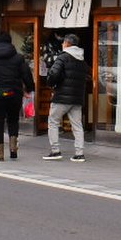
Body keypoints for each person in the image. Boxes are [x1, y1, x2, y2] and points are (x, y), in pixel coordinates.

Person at [0, 31, 35, 162]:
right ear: (10, 42)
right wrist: (30, 88)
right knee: (13, 120)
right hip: (14, 93)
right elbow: (26, 74)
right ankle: (13, 149)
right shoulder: (18, 58)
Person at [43, 32, 89, 162]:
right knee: (77, 125)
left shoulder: (62, 57)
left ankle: (55, 150)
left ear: (67, 44)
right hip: (77, 98)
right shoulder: (81, 59)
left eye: (64, 42)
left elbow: (53, 73)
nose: (62, 44)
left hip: (62, 96)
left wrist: (51, 84)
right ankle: (79, 153)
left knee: (53, 121)